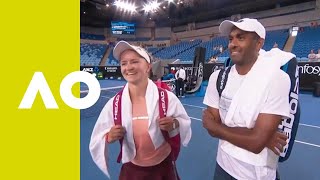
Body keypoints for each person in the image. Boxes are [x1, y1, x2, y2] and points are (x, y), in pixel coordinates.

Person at [89, 41, 191, 180]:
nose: (128, 67)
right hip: (133, 170)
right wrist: (109, 137)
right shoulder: (114, 104)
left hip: (164, 167)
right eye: (124, 63)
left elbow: (184, 122)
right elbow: (97, 137)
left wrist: (174, 124)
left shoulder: (167, 98)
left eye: (134, 61)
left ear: (148, 66)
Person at [202, 18, 290, 180]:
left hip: (257, 174)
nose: (232, 44)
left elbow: (255, 143)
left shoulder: (277, 79)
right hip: (222, 165)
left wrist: (218, 127)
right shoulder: (218, 77)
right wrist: (258, 136)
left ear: (259, 43)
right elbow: (210, 128)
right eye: (230, 38)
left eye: (240, 37)